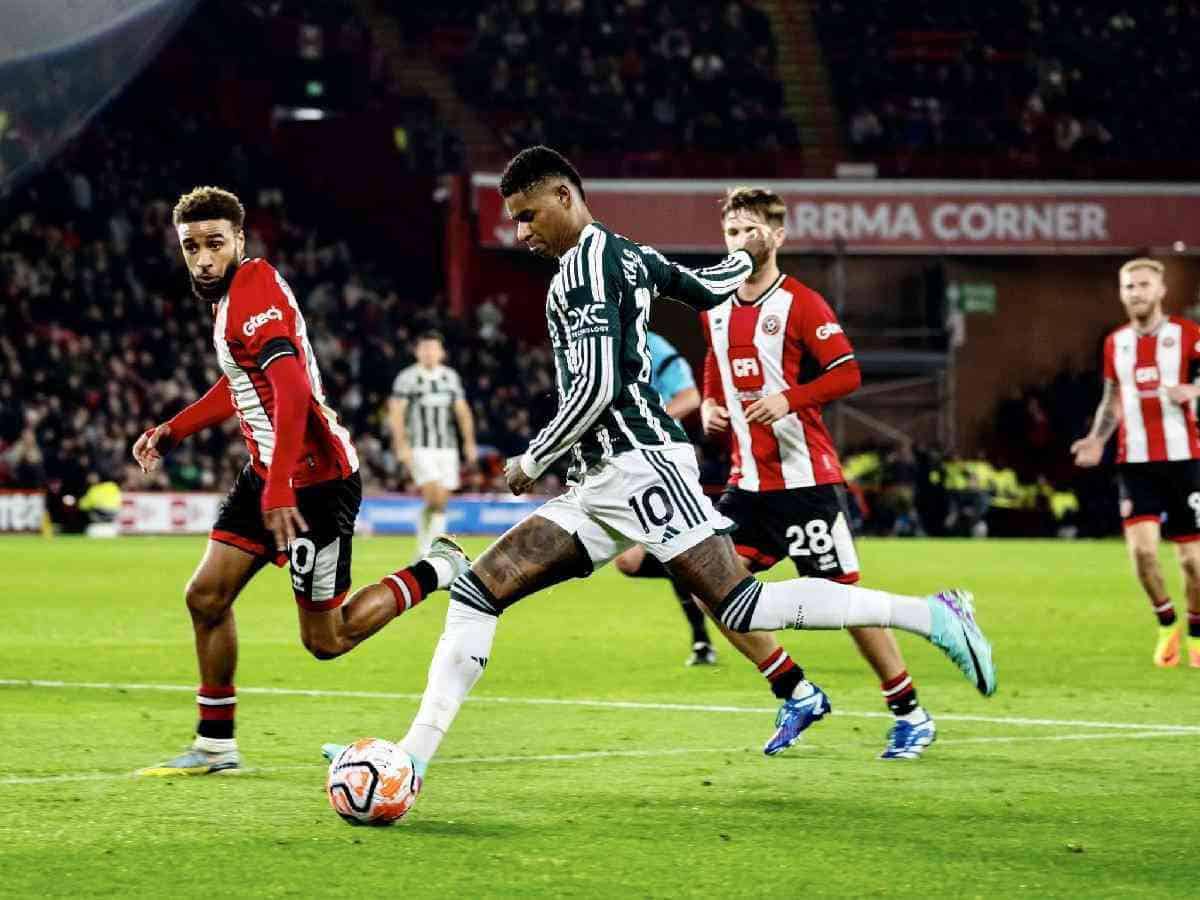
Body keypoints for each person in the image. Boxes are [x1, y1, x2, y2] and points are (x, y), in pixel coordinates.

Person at [324, 147, 995, 808]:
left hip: (641, 465)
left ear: (565, 196)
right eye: (515, 221)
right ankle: (409, 761)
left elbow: (597, 385)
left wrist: (533, 458)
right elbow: (704, 286)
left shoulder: (584, 267)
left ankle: (933, 615)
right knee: (478, 591)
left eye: (529, 215)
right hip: (599, 485)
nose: (522, 233)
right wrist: (745, 257)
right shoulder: (627, 252)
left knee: (743, 606)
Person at [132, 186, 468, 775]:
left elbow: (291, 390)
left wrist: (281, 486)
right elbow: (241, 384)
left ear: (240, 241)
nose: (204, 258)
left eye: (215, 243)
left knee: (327, 640)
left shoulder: (254, 289)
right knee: (205, 597)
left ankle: (437, 568)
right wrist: (174, 429)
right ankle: (215, 745)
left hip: (315, 484)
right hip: (269, 474)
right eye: (191, 247)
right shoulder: (228, 301)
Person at [698, 185, 938, 759]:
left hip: (806, 483)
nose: (739, 240)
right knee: (710, 586)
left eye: (751, 230)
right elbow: (714, 360)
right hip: (746, 486)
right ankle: (795, 689)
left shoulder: (801, 302)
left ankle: (910, 713)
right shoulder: (715, 304)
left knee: (846, 603)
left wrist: (790, 399)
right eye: (732, 231)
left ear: (777, 236)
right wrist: (709, 402)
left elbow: (848, 372)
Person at [1071, 257, 1200, 668]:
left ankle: (1197, 631)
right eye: (1129, 286)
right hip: (1135, 461)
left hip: (1186, 459)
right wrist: (1096, 439)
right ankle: (1166, 624)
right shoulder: (1116, 343)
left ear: (1161, 290)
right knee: (1143, 555)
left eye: (1144, 285)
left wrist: (1192, 392)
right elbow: (1111, 398)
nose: (1136, 292)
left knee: (1192, 562)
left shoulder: (1188, 335)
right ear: (1121, 293)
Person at [612, 330, 717, 666]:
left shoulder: (655, 346)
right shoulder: (602, 348)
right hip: (626, 463)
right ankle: (710, 572)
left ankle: (702, 639)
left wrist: (650, 422)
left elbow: (689, 396)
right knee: (629, 562)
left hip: (663, 461)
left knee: (671, 551)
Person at [389, 331, 477, 557]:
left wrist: (469, 443)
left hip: (447, 448)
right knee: (434, 496)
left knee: (439, 504)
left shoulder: (450, 377)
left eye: (433, 348)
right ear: (417, 352)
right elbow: (397, 413)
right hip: (420, 446)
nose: (429, 353)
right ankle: (434, 552)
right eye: (424, 348)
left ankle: (424, 548)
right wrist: (401, 446)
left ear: (441, 353)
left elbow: (463, 412)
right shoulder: (407, 378)